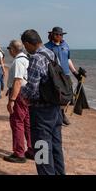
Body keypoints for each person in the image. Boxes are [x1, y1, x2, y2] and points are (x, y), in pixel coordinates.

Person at [21, 29, 66, 175]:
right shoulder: (51, 53)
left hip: (41, 112)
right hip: (55, 109)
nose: (25, 49)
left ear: (28, 43)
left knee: (41, 150)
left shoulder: (36, 58)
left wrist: (21, 92)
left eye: (25, 45)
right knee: (56, 148)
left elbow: (32, 89)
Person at [4, 40, 34, 164]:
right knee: (27, 123)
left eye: (9, 48)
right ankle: (32, 150)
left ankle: (19, 153)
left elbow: (17, 81)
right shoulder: (27, 59)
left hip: (19, 94)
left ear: (13, 49)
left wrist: (12, 100)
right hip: (27, 94)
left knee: (17, 122)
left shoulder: (18, 61)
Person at [45, 27, 81, 126]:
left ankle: (61, 113)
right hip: (54, 76)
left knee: (67, 97)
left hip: (65, 75)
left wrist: (75, 73)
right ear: (52, 34)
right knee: (56, 96)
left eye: (61, 35)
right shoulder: (46, 47)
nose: (59, 36)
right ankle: (59, 116)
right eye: (56, 34)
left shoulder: (65, 46)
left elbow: (68, 59)